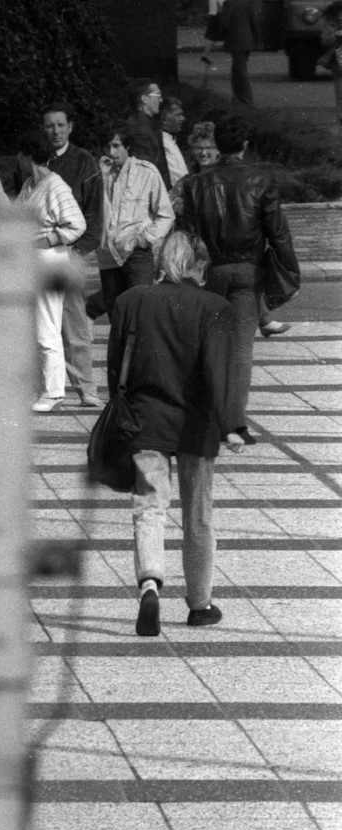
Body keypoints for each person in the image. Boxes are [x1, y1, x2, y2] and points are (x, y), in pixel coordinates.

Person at [111, 229, 245, 636]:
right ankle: (200, 605)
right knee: (198, 517)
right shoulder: (215, 307)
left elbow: (117, 366)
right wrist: (232, 425)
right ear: (196, 265)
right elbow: (220, 373)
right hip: (196, 425)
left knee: (148, 508)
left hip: (145, 419)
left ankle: (150, 583)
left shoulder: (130, 300)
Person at [171, 115, 303, 426]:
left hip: (209, 270)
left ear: (218, 145)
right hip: (248, 270)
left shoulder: (195, 184)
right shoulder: (261, 180)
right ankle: (233, 422)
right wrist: (291, 273)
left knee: (211, 345)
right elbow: (278, 233)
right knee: (242, 348)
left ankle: (207, 415)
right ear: (244, 145)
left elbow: (187, 234)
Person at [14, 133, 86, 413]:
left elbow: (76, 224)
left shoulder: (55, 186)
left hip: (49, 260)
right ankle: (39, 387)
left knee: (47, 327)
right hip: (30, 261)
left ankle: (54, 391)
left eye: (20, 155)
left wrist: (48, 239)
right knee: (32, 328)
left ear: (28, 156)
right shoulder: (30, 185)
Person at [42, 101, 105, 407]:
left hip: (71, 250)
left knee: (74, 324)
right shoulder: (37, 160)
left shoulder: (84, 161)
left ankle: (86, 388)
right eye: (50, 126)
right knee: (42, 324)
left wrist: (78, 251)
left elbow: (94, 215)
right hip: (40, 251)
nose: (55, 131)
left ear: (70, 127)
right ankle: (45, 386)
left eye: (60, 125)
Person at [96, 121, 175, 317]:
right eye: (107, 146)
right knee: (117, 316)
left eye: (116, 146)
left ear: (127, 146)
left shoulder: (146, 172)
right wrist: (102, 179)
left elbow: (166, 214)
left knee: (140, 313)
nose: (111, 152)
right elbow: (94, 212)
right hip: (107, 256)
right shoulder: (99, 175)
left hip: (137, 254)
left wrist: (145, 239)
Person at [125, 80, 172, 189]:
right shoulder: (140, 129)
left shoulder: (148, 125)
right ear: (144, 98)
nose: (161, 100)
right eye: (158, 95)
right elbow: (146, 171)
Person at [223, 0, 257, 106]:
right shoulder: (246, 1)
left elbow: (225, 23)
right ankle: (238, 98)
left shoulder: (228, 3)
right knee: (238, 70)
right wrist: (258, 39)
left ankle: (246, 99)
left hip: (236, 41)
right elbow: (253, 21)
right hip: (248, 40)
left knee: (240, 72)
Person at [159, 97, 192, 187]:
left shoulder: (170, 140)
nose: (183, 119)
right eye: (178, 115)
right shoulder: (162, 143)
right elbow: (176, 179)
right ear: (164, 119)